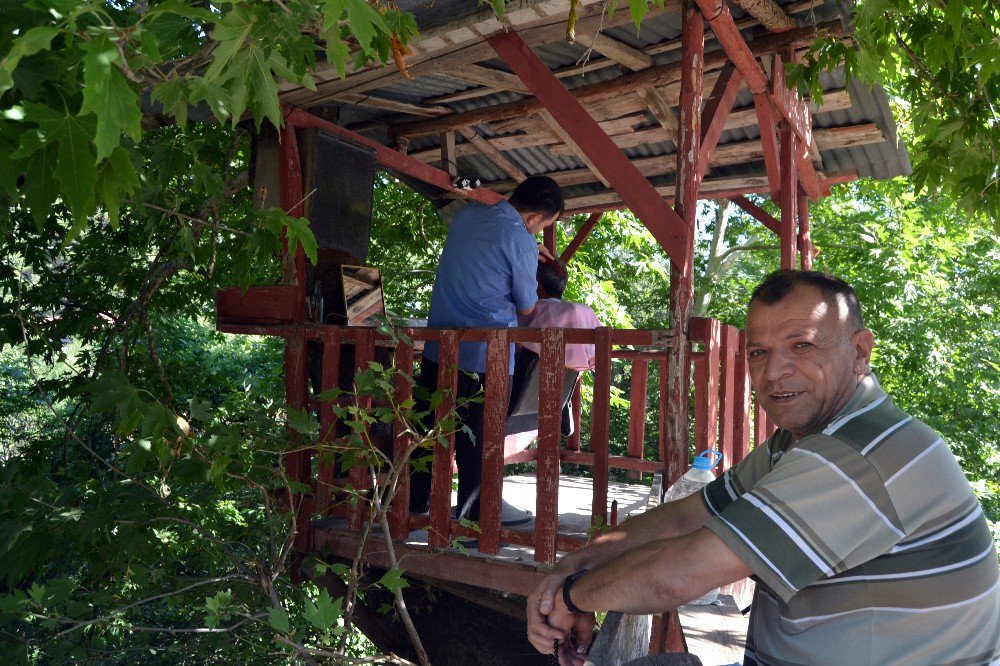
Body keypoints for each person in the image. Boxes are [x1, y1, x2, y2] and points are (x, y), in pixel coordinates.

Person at [526, 269, 1000, 665]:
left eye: (803, 346)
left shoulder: (860, 453)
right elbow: (688, 515)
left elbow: (681, 574)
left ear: (859, 352)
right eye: (759, 353)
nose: (774, 372)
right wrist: (572, 567)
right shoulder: (798, 442)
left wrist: (570, 597)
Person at [409, 176, 564, 523]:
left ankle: (415, 508)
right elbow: (526, 306)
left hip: (439, 346)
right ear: (535, 218)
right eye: (541, 228)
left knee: (429, 432)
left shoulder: (467, 215)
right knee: (479, 442)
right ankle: (475, 516)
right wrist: (530, 257)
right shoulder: (521, 240)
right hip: (485, 356)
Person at [518, 259, 601, 371]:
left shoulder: (534, 311)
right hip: (554, 385)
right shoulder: (578, 312)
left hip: (520, 382)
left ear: (536, 284)